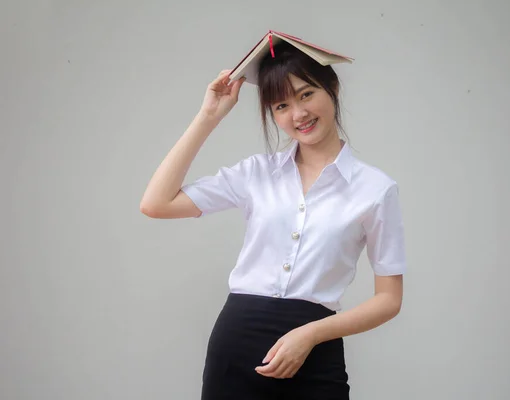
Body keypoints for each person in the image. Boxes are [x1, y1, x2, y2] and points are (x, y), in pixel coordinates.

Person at [140, 40, 406, 400]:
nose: (298, 114)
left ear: (333, 89)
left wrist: (310, 334)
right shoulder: (256, 174)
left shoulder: (375, 189)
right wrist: (209, 117)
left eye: (306, 94)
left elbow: (388, 300)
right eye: (281, 105)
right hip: (236, 346)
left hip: (315, 349)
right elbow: (156, 203)